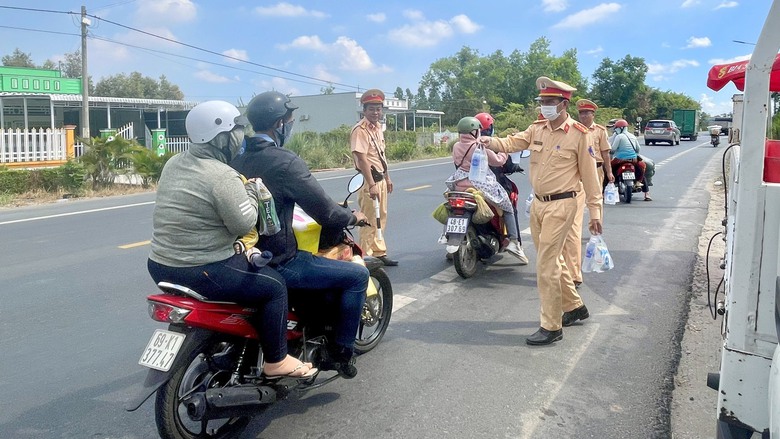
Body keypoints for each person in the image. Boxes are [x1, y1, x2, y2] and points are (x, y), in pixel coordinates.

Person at [147, 100, 315, 379]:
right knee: (274, 286)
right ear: (221, 137)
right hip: (203, 268)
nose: (241, 137)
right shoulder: (222, 175)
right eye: (237, 130)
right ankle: (276, 360)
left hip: (160, 264)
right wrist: (251, 192)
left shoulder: (174, 163)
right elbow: (244, 222)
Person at [231, 91, 369, 379]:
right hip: (278, 259)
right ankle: (341, 352)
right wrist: (352, 216)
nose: (291, 124)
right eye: (290, 119)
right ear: (280, 124)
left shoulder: (236, 158)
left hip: (239, 254)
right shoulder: (284, 161)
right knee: (357, 277)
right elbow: (326, 212)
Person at [478, 76, 603, 346]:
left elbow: (591, 178)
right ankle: (574, 306)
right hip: (538, 204)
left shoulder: (579, 135)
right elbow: (513, 142)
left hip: (563, 203)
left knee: (545, 265)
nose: (544, 106)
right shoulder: (537, 129)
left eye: (549, 102)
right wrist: (490, 143)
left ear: (563, 104)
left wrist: (595, 213)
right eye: (542, 101)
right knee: (553, 260)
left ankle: (551, 325)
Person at [445, 116, 528, 263]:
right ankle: (514, 241)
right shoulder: (480, 146)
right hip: (479, 184)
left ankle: (448, 237)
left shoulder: (456, 146)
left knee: (450, 207)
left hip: (458, 183)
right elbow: (498, 161)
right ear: (474, 132)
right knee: (507, 206)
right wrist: (504, 151)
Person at [563, 99, 613, 289]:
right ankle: (577, 232)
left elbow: (606, 153)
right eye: (581, 113)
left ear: (593, 115)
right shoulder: (573, 130)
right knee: (576, 207)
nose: (583, 116)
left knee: (595, 200)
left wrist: (609, 172)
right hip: (576, 172)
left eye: (587, 113)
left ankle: (595, 230)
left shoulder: (599, 131)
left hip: (597, 169)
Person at [350, 89, 398, 267]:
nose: (376, 112)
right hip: (369, 180)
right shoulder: (360, 130)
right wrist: (371, 184)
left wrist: (388, 178)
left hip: (380, 179)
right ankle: (362, 258)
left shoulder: (377, 128)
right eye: (372, 109)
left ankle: (378, 252)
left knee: (381, 218)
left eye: (378, 109)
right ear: (364, 110)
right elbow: (362, 159)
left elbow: (380, 156)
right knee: (369, 221)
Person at [610, 119, 652, 201]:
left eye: (617, 128)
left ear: (621, 128)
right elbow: (638, 149)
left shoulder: (619, 137)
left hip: (620, 160)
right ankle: (646, 194)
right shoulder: (632, 136)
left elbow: (613, 149)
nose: (616, 130)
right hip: (634, 159)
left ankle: (604, 191)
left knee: (608, 170)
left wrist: (610, 152)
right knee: (641, 171)